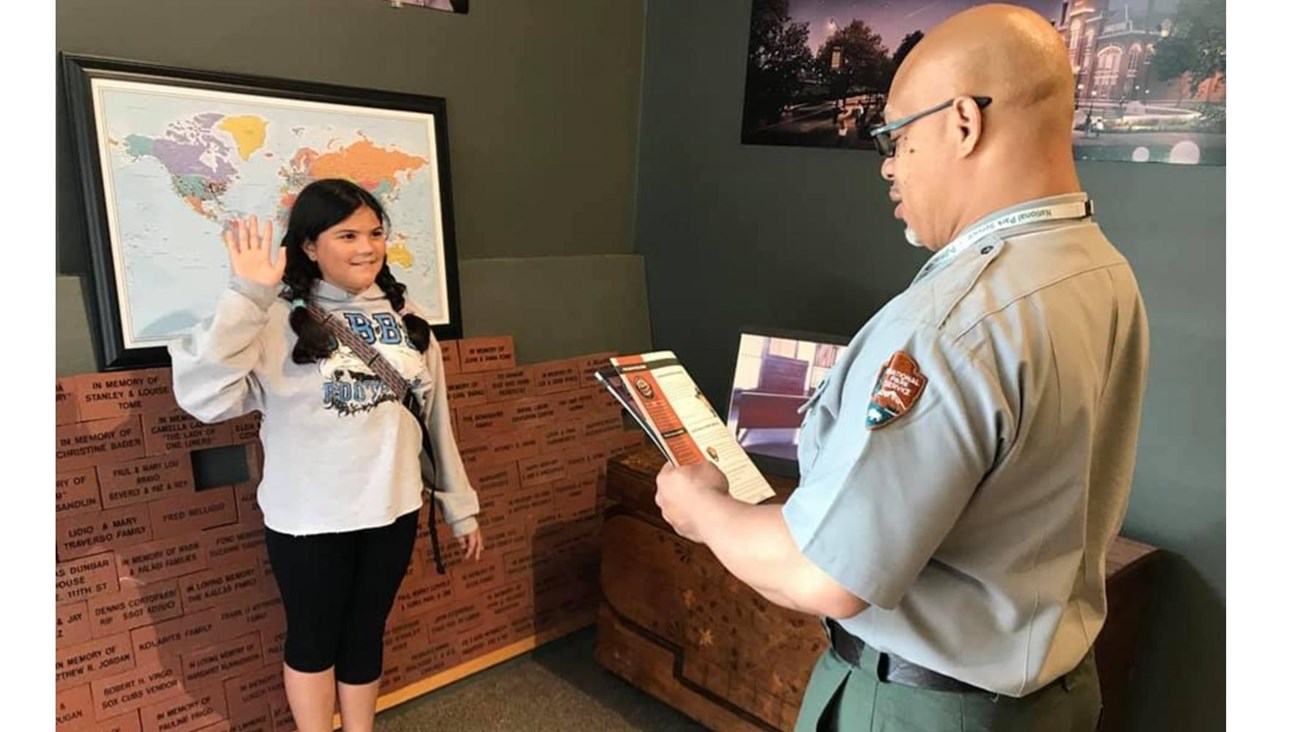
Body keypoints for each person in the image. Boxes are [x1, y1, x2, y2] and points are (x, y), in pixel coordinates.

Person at [653, 5, 1149, 731]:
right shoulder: (1100, 269)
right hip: (1054, 696)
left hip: (924, 708)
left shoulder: (949, 323)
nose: (886, 165)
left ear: (962, 124)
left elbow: (823, 573)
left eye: (895, 137)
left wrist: (703, 510)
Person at [170, 178, 484, 732]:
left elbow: (436, 422)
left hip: (393, 512)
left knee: (366, 633)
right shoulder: (273, 320)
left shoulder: (408, 319)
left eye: (376, 232)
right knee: (314, 640)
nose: (367, 247)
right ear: (310, 246)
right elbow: (204, 399)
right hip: (309, 520)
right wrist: (246, 297)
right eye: (348, 234)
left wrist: (459, 505)